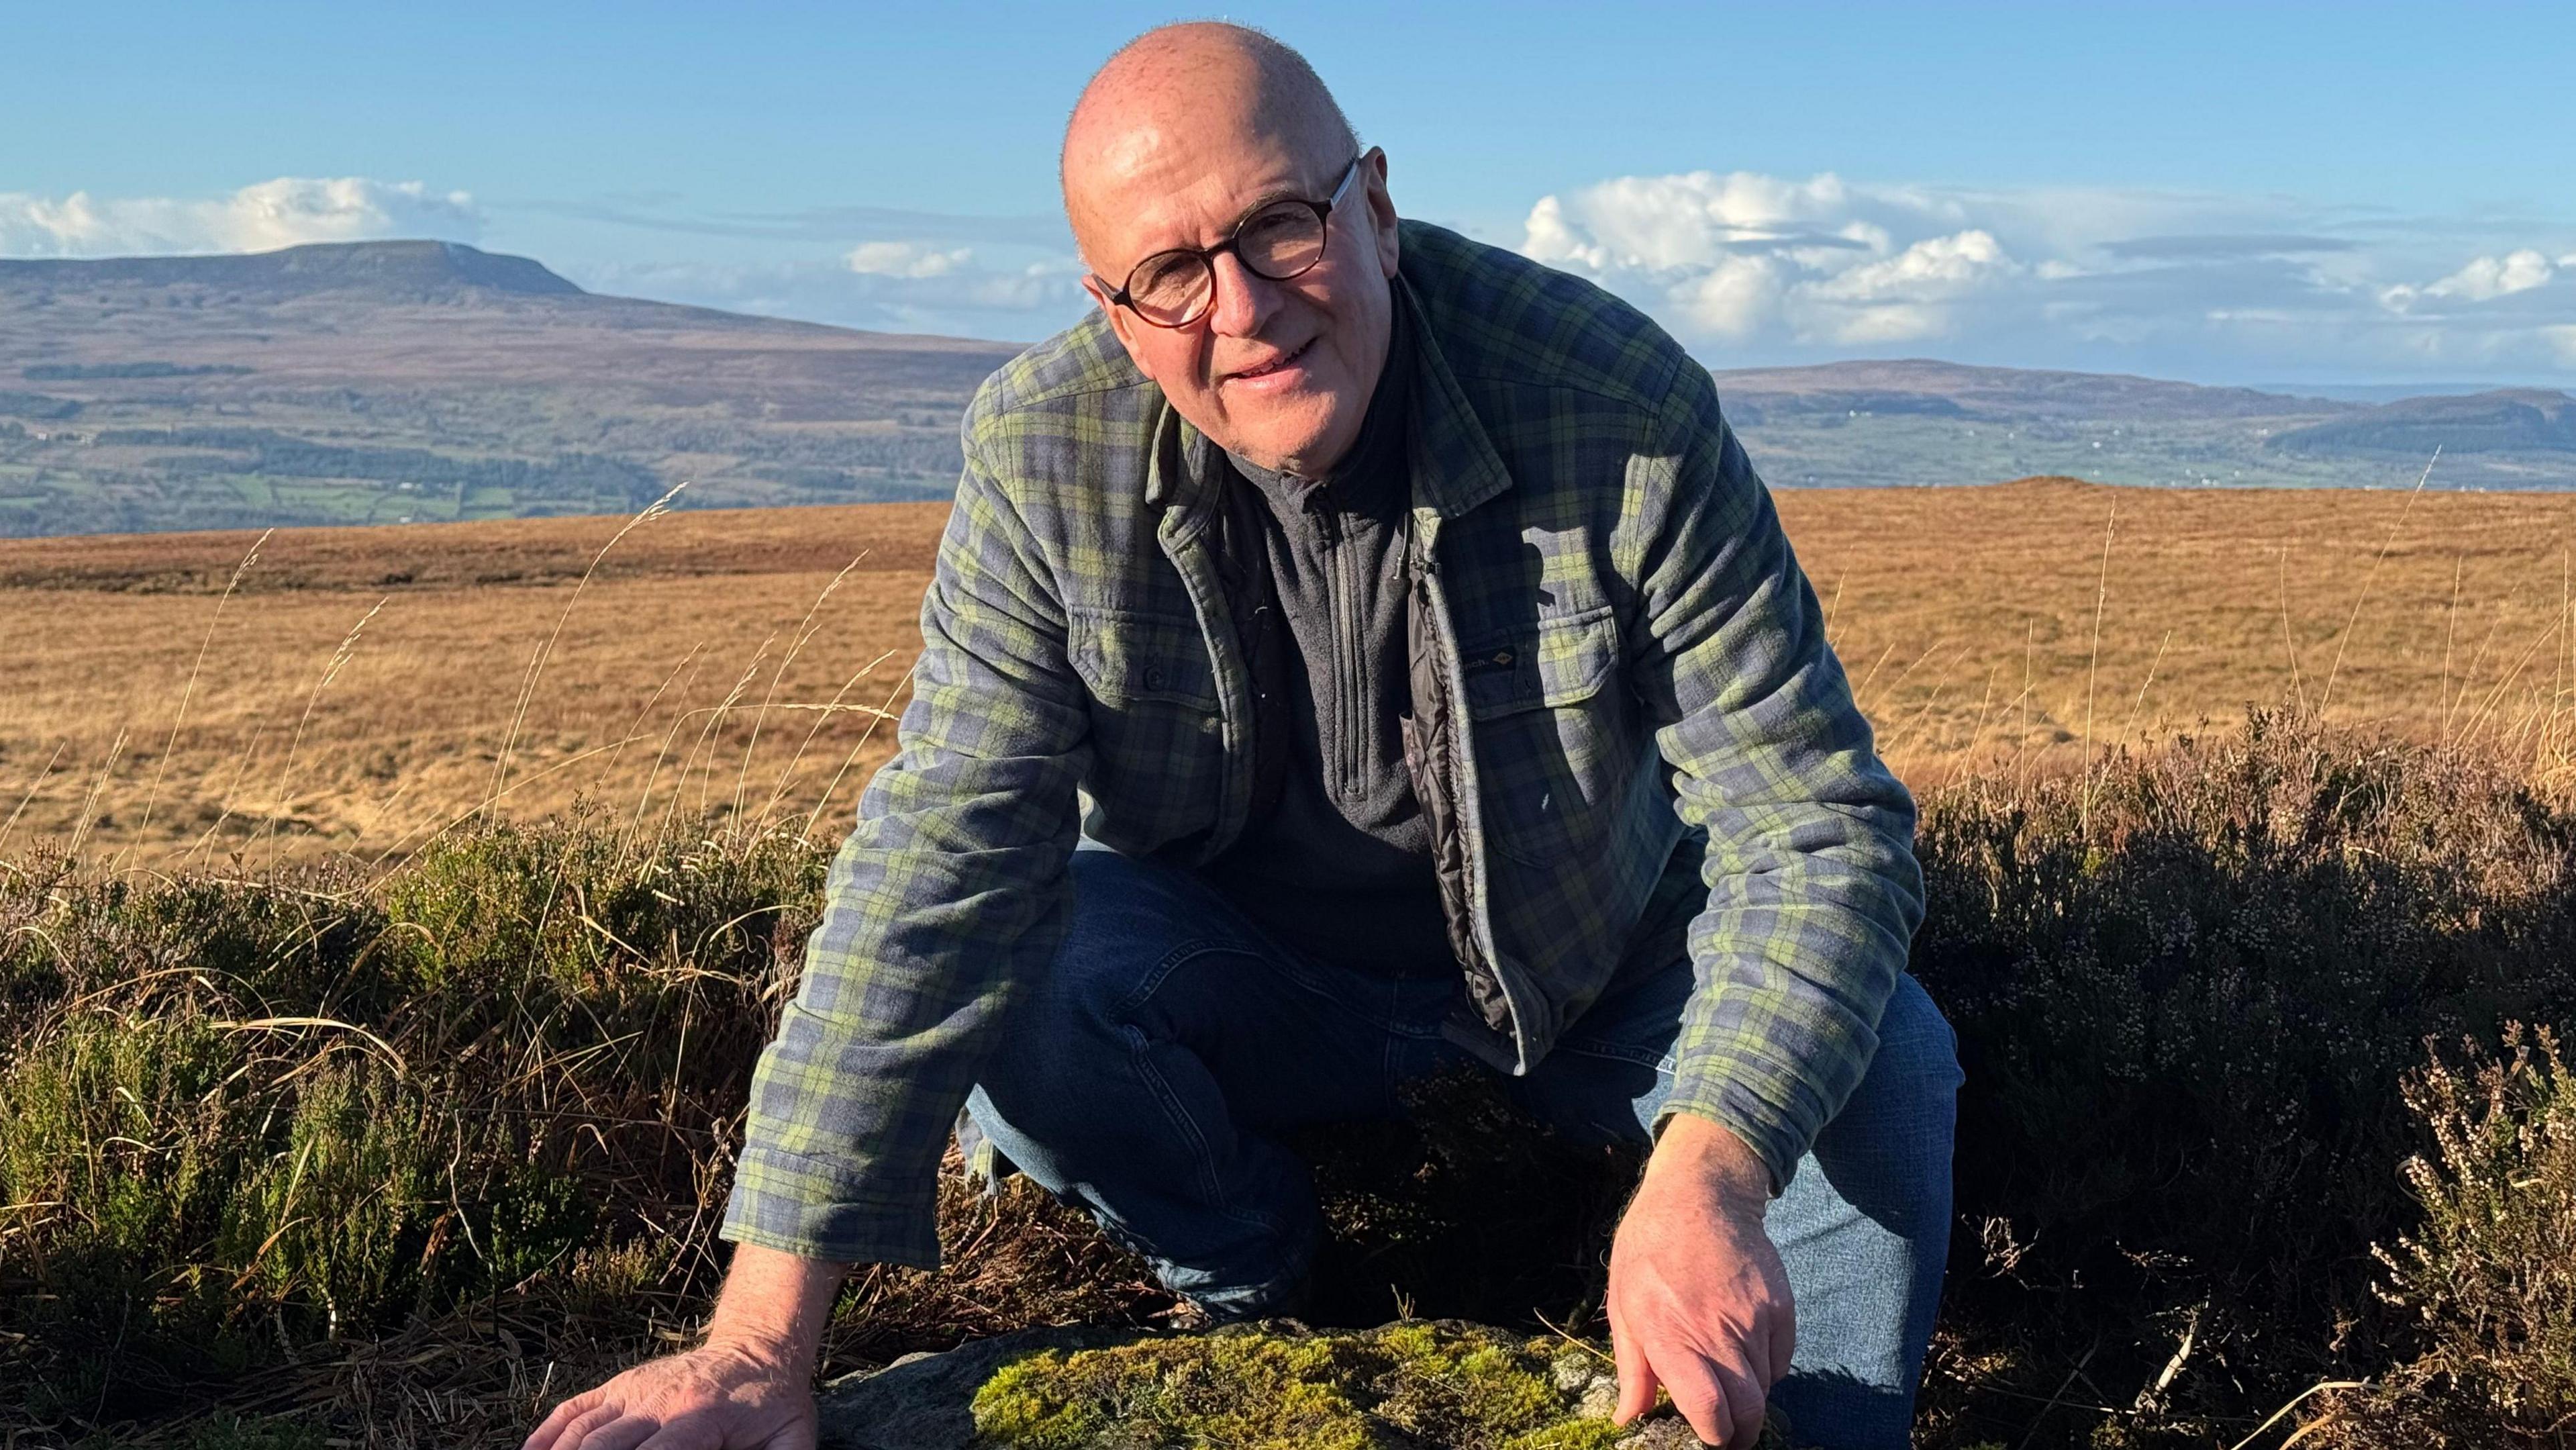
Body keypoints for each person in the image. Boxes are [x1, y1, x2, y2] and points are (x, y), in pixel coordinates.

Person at [526, 21, 1959, 1450]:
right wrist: (757, 1345)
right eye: (1169, 273)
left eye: (1281, 225)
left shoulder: (1615, 405)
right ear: (1115, 315)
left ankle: (1801, 1427)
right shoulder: (1040, 459)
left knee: (1880, 1057)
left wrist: (1712, 1167)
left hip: (1600, 974)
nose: (1244, 308)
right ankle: (1267, 1292)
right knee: (1040, 979)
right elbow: (941, 864)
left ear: (1377, 211)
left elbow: (1816, 828)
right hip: (1252, 980)